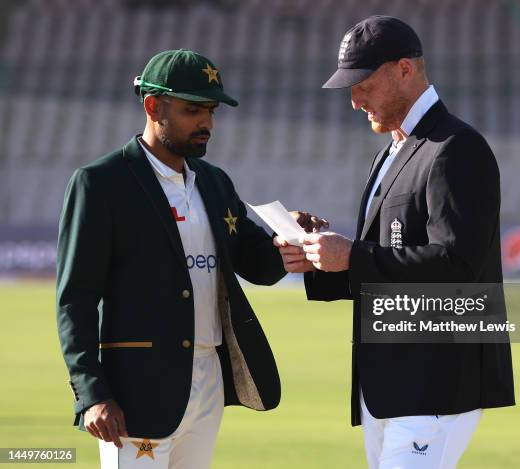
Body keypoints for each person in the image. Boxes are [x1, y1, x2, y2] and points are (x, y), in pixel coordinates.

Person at [56, 49, 323, 469]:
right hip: (135, 390)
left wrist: (289, 239)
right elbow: (75, 299)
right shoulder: (99, 184)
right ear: (152, 106)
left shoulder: (214, 183)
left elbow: (257, 262)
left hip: (209, 380)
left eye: (211, 110)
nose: (207, 123)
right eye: (192, 109)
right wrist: (92, 393)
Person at [275, 16, 515, 469]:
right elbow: (382, 265)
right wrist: (316, 258)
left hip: (436, 382)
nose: (354, 99)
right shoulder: (390, 153)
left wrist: (353, 255)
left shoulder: (455, 148)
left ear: (405, 70)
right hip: (385, 384)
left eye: (363, 83)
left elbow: (458, 264)